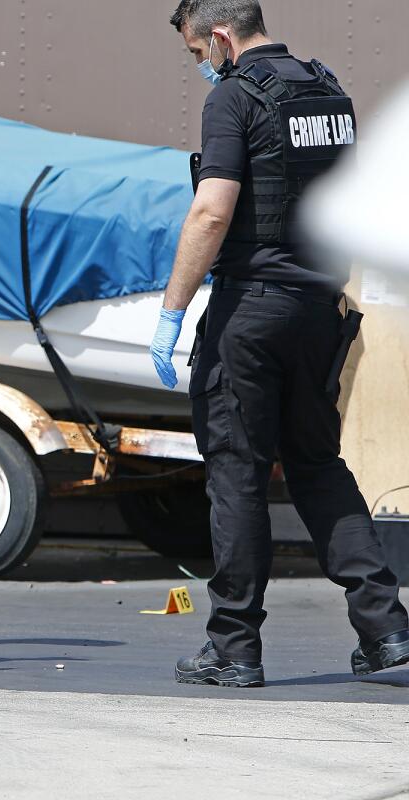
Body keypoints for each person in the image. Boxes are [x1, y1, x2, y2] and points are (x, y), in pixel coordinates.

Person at [153, 0, 409, 687]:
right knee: (319, 464)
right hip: (320, 309)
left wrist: (173, 312)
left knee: (236, 474)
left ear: (218, 36)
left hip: (253, 311)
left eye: (195, 53)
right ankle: (386, 630)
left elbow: (212, 211)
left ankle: (233, 648)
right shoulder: (330, 92)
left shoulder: (234, 98)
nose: (200, 66)